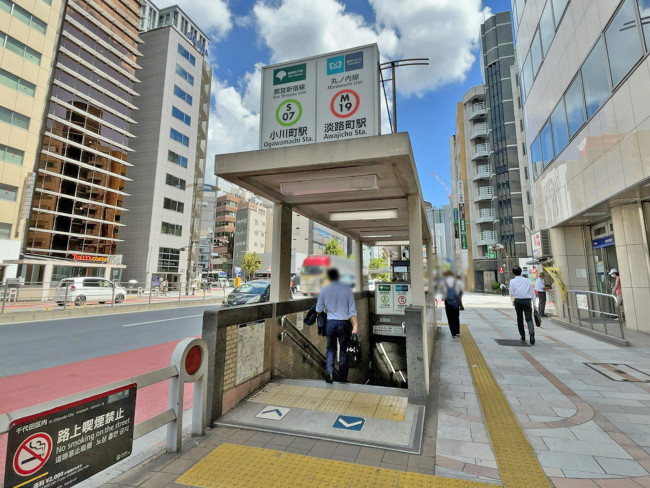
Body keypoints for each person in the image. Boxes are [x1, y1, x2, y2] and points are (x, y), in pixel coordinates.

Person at [316, 268, 358, 383]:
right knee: (343, 350)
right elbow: (352, 311)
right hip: (344, 323)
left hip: (330, 323)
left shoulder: (324, 290)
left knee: (330, 349)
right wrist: (355, 325)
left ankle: (329, 375)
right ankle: (343, 378)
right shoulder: (347, 290)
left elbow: (318, 309)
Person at [509, 266, 536, 345]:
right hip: (527, 301)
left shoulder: (512, 281)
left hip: (518, 301)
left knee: (519, 318)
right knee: (529, 318)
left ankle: (523, 335)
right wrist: (534, 303)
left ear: (513, 273)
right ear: (521, 272)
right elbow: (532, 292)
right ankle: (531, 333)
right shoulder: (527, 280)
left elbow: (512, 292)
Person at [439, 270, 463, 338]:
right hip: (456, 300)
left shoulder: (443, 282)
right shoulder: (457, 281)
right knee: (456, 316)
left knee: (450, 317)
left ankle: (453, 333)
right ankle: (457, 331)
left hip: (448, 301)